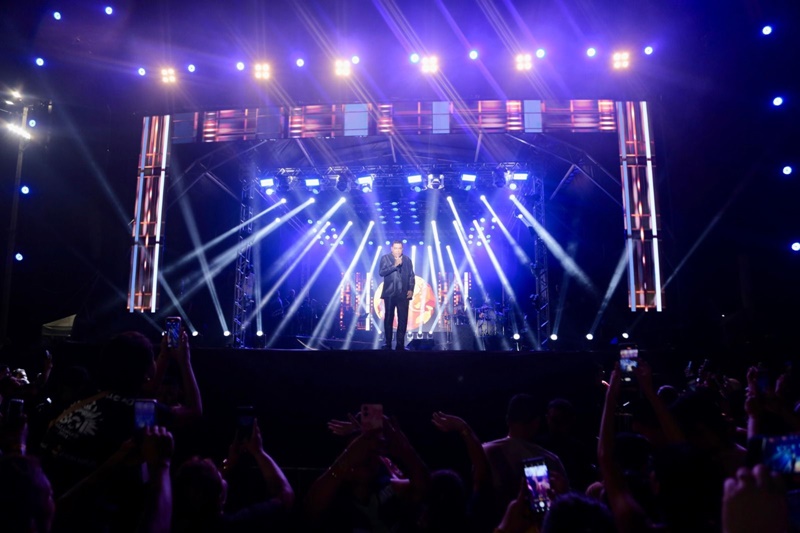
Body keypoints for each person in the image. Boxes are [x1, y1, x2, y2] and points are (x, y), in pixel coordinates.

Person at [378, 240, 415, 351]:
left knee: (403, 319)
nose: (397, 250)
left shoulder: (407, 260)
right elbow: (381, 272)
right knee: (389, 318)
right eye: (395, 248)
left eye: (399, 248)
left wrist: (411, 289)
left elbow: (411, 275)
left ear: (402, 249)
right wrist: (394, 265)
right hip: (390, 293)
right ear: (391, 248)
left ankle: (400, 345)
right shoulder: (385, 258)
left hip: (403, 294)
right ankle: (388, 343)